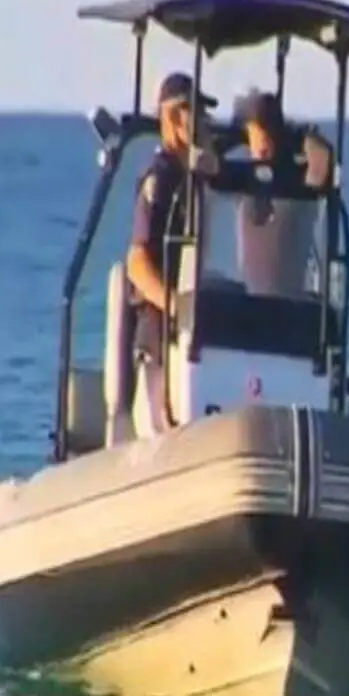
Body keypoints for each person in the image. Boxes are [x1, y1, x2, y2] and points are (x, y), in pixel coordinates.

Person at [126, 71, 223, 435]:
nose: (202, 122)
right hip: (158, 332)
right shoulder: (162, 177)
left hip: (188, 333)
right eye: (192, 111)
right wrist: (174, 305)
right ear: (172, 117)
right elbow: (137, 262)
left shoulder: (191, 179)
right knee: (157, 429)